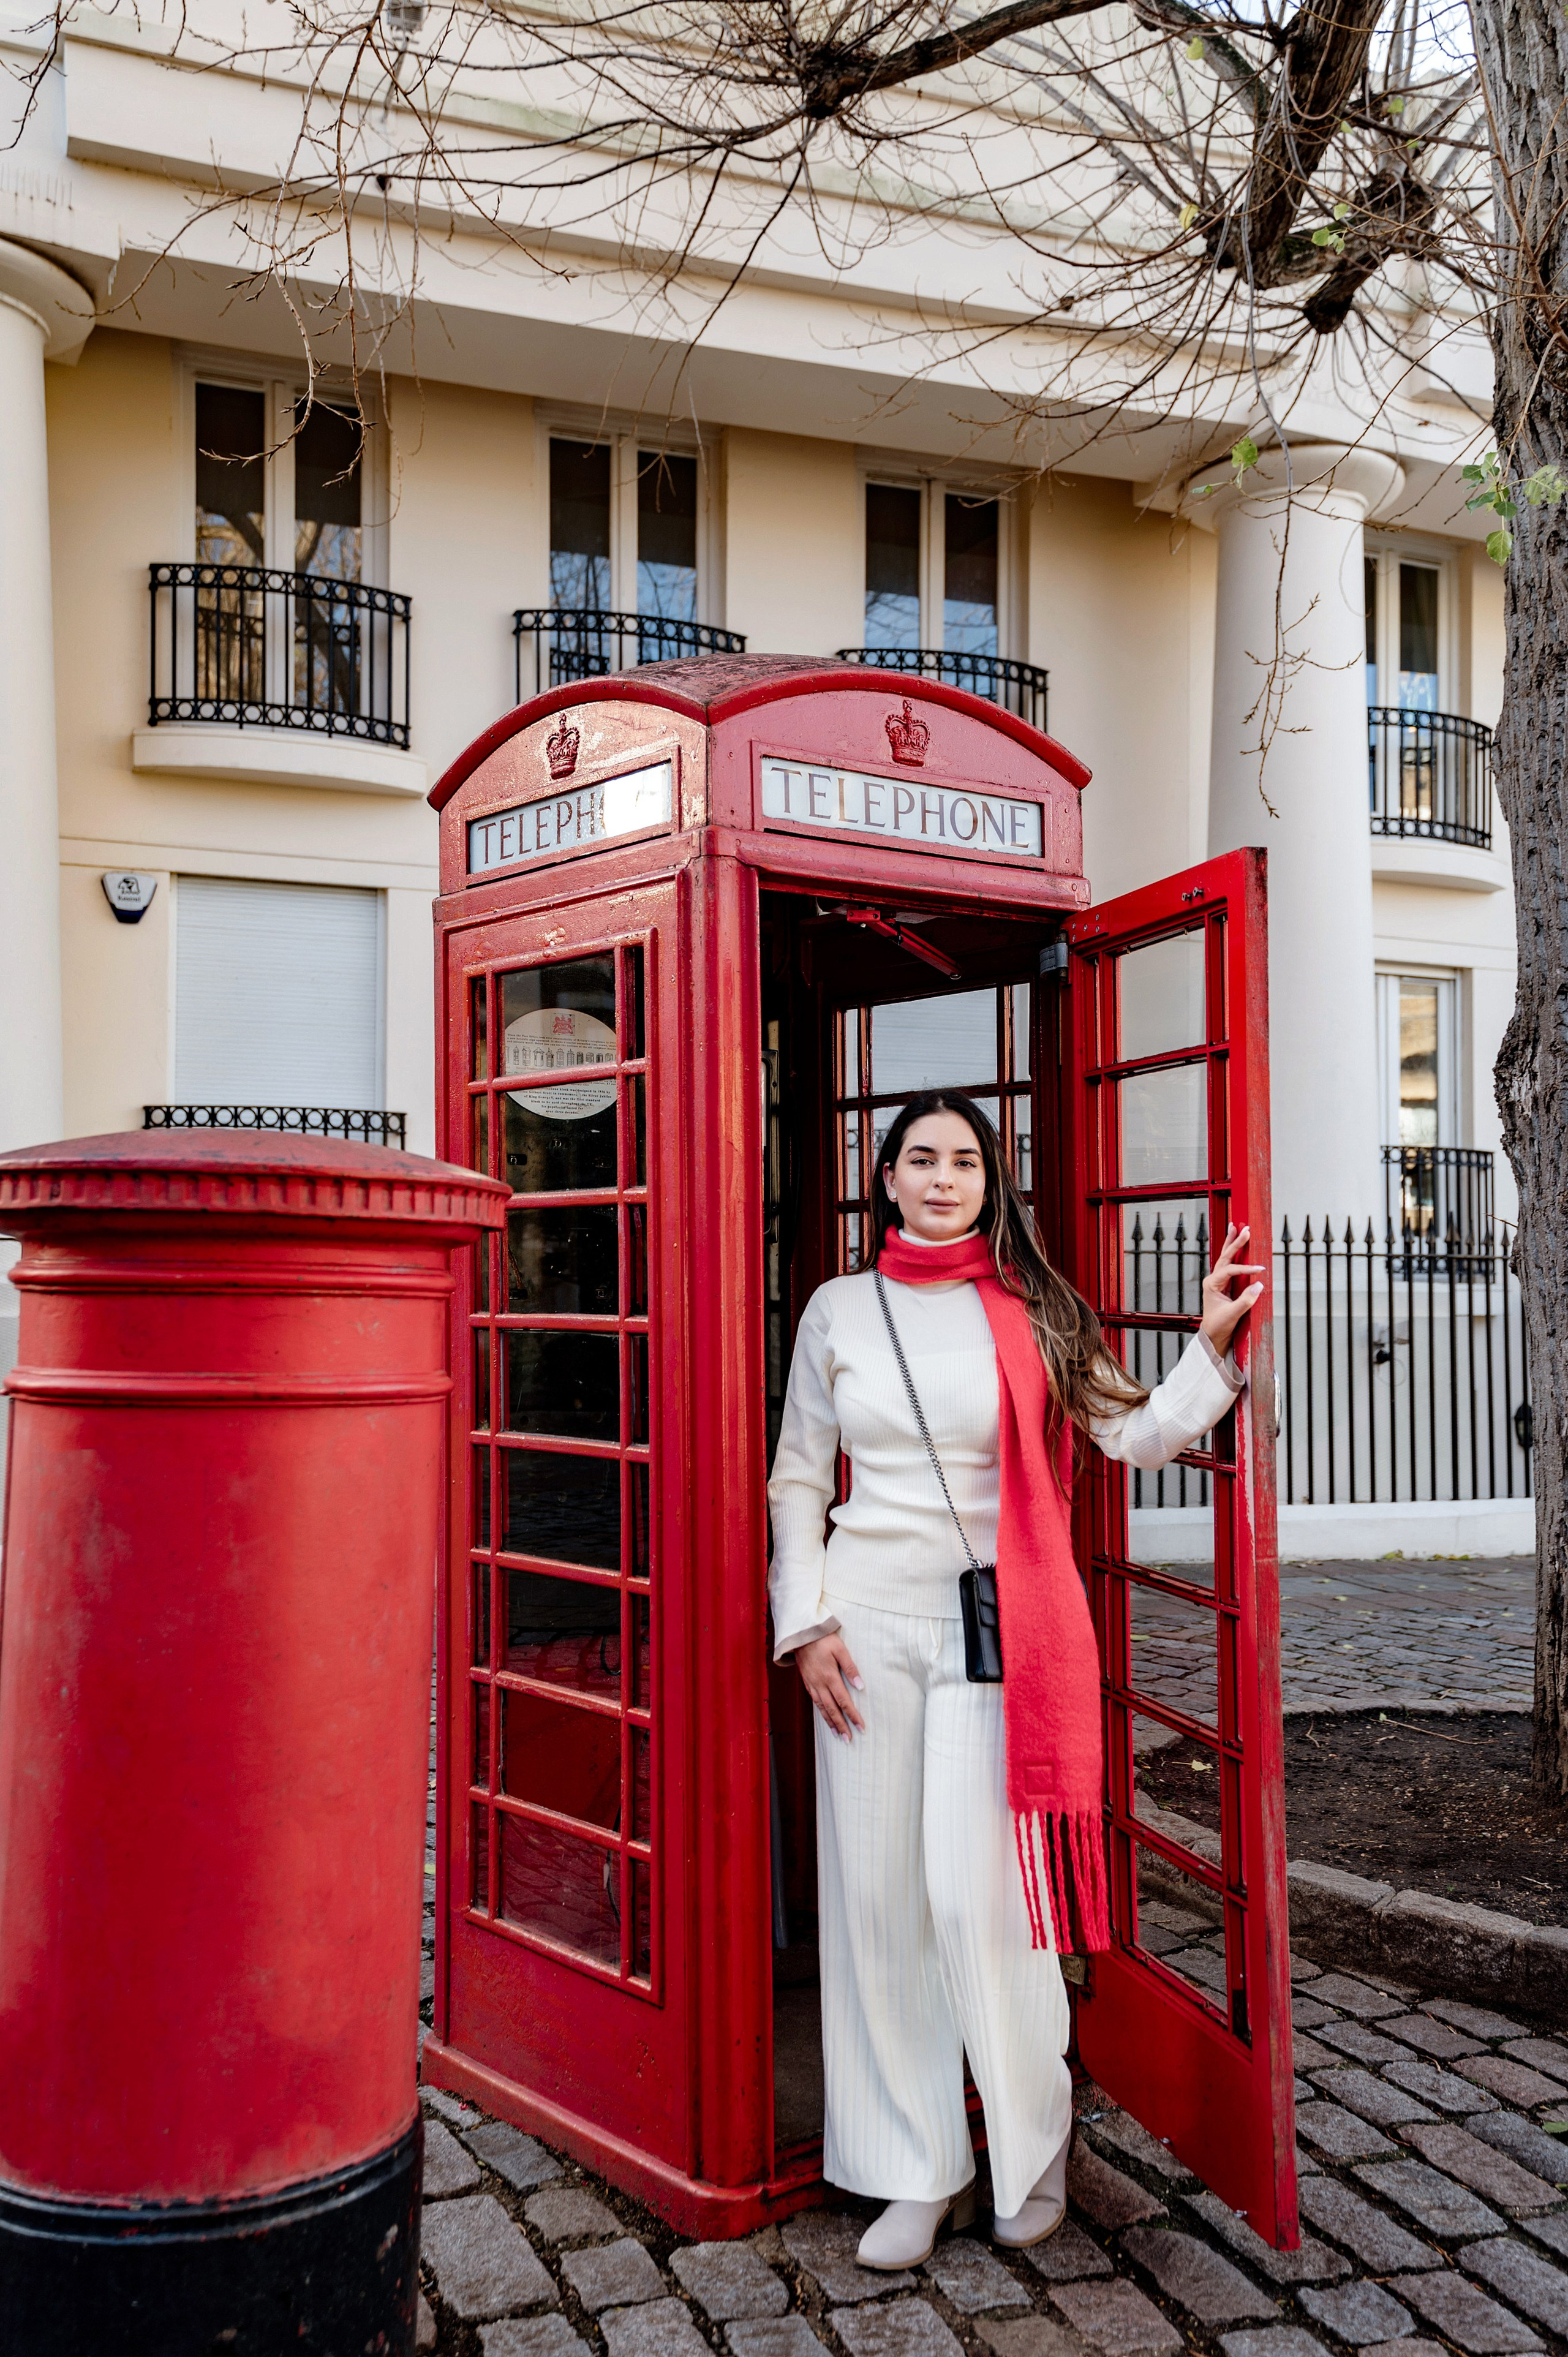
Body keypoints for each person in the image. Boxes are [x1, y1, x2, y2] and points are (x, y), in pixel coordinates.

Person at [767, 1089, 1263, 2270]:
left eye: (967, 1163)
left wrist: (1208, 1348)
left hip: (998, 1633)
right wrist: (805, 1624)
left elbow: (1132, 1435)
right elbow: (797, 1479)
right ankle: (910, 2171)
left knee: (980, 1901)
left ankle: (1031, 2148)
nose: (944, 1178)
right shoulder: (839, 1310)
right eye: (921, 1159)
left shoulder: (1038, 1310)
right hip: (866, 1629)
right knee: (878, 1904)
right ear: (883, 1177)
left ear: (993, 1185)